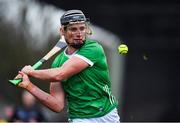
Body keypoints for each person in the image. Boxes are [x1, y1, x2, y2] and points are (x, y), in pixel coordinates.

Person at [16, 9, 120, 123]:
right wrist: (29, 86)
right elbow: (57, 105)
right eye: (73, 29)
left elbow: (61, 74)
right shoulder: (58, 62)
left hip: (107, 115)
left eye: (82, 28)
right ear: (62, 31)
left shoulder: (93, 49)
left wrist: (32, 72)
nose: (79, 33)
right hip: (79, 118)